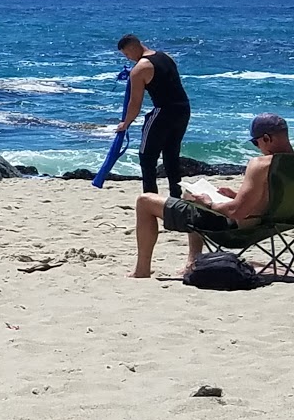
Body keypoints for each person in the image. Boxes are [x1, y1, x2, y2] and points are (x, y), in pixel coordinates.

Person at [130, 113, 292, 279]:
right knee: (191, 196)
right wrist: (236, 195)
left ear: (266, 138)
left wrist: (209, 204)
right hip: (271, 225)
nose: (257, 147)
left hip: (235, 231)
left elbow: (237, 212)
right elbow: (275, 197)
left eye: (255, 142)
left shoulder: (261, 165)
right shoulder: (287, 165)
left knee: (145, 201)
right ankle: (192, 261)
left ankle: (142, 270)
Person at [115, 34, 191, 199]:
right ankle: (175, 196)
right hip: (183, 109)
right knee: (171, 154)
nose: (128, 58)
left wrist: (125, 123)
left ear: (133, 47)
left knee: (147, 156)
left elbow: (135, 103)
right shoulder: (166, 57)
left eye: (127, 54)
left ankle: (150, 199)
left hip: (163, 112)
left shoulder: (140, 69)